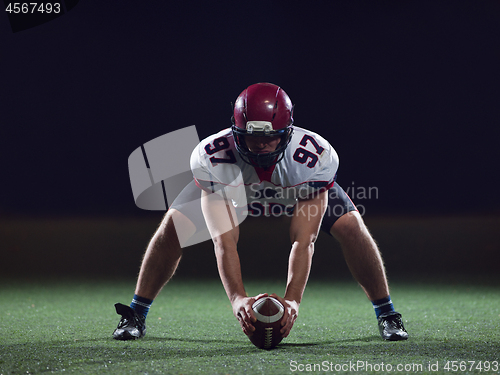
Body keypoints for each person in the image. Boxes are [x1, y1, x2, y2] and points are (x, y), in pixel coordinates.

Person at [113, 82, 408, 342]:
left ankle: (387, 313)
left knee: (351, 227)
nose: (261, 145)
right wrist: (238, 299)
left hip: (294, 186)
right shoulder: (214, 159)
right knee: (173, 229)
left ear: (288, 133)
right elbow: (224, 242)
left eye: (270, 137)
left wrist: (292, 302)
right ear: (236, 130)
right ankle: (136, 313)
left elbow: (303, 241)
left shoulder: (311, 159)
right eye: (252, 137)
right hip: (233, 185)